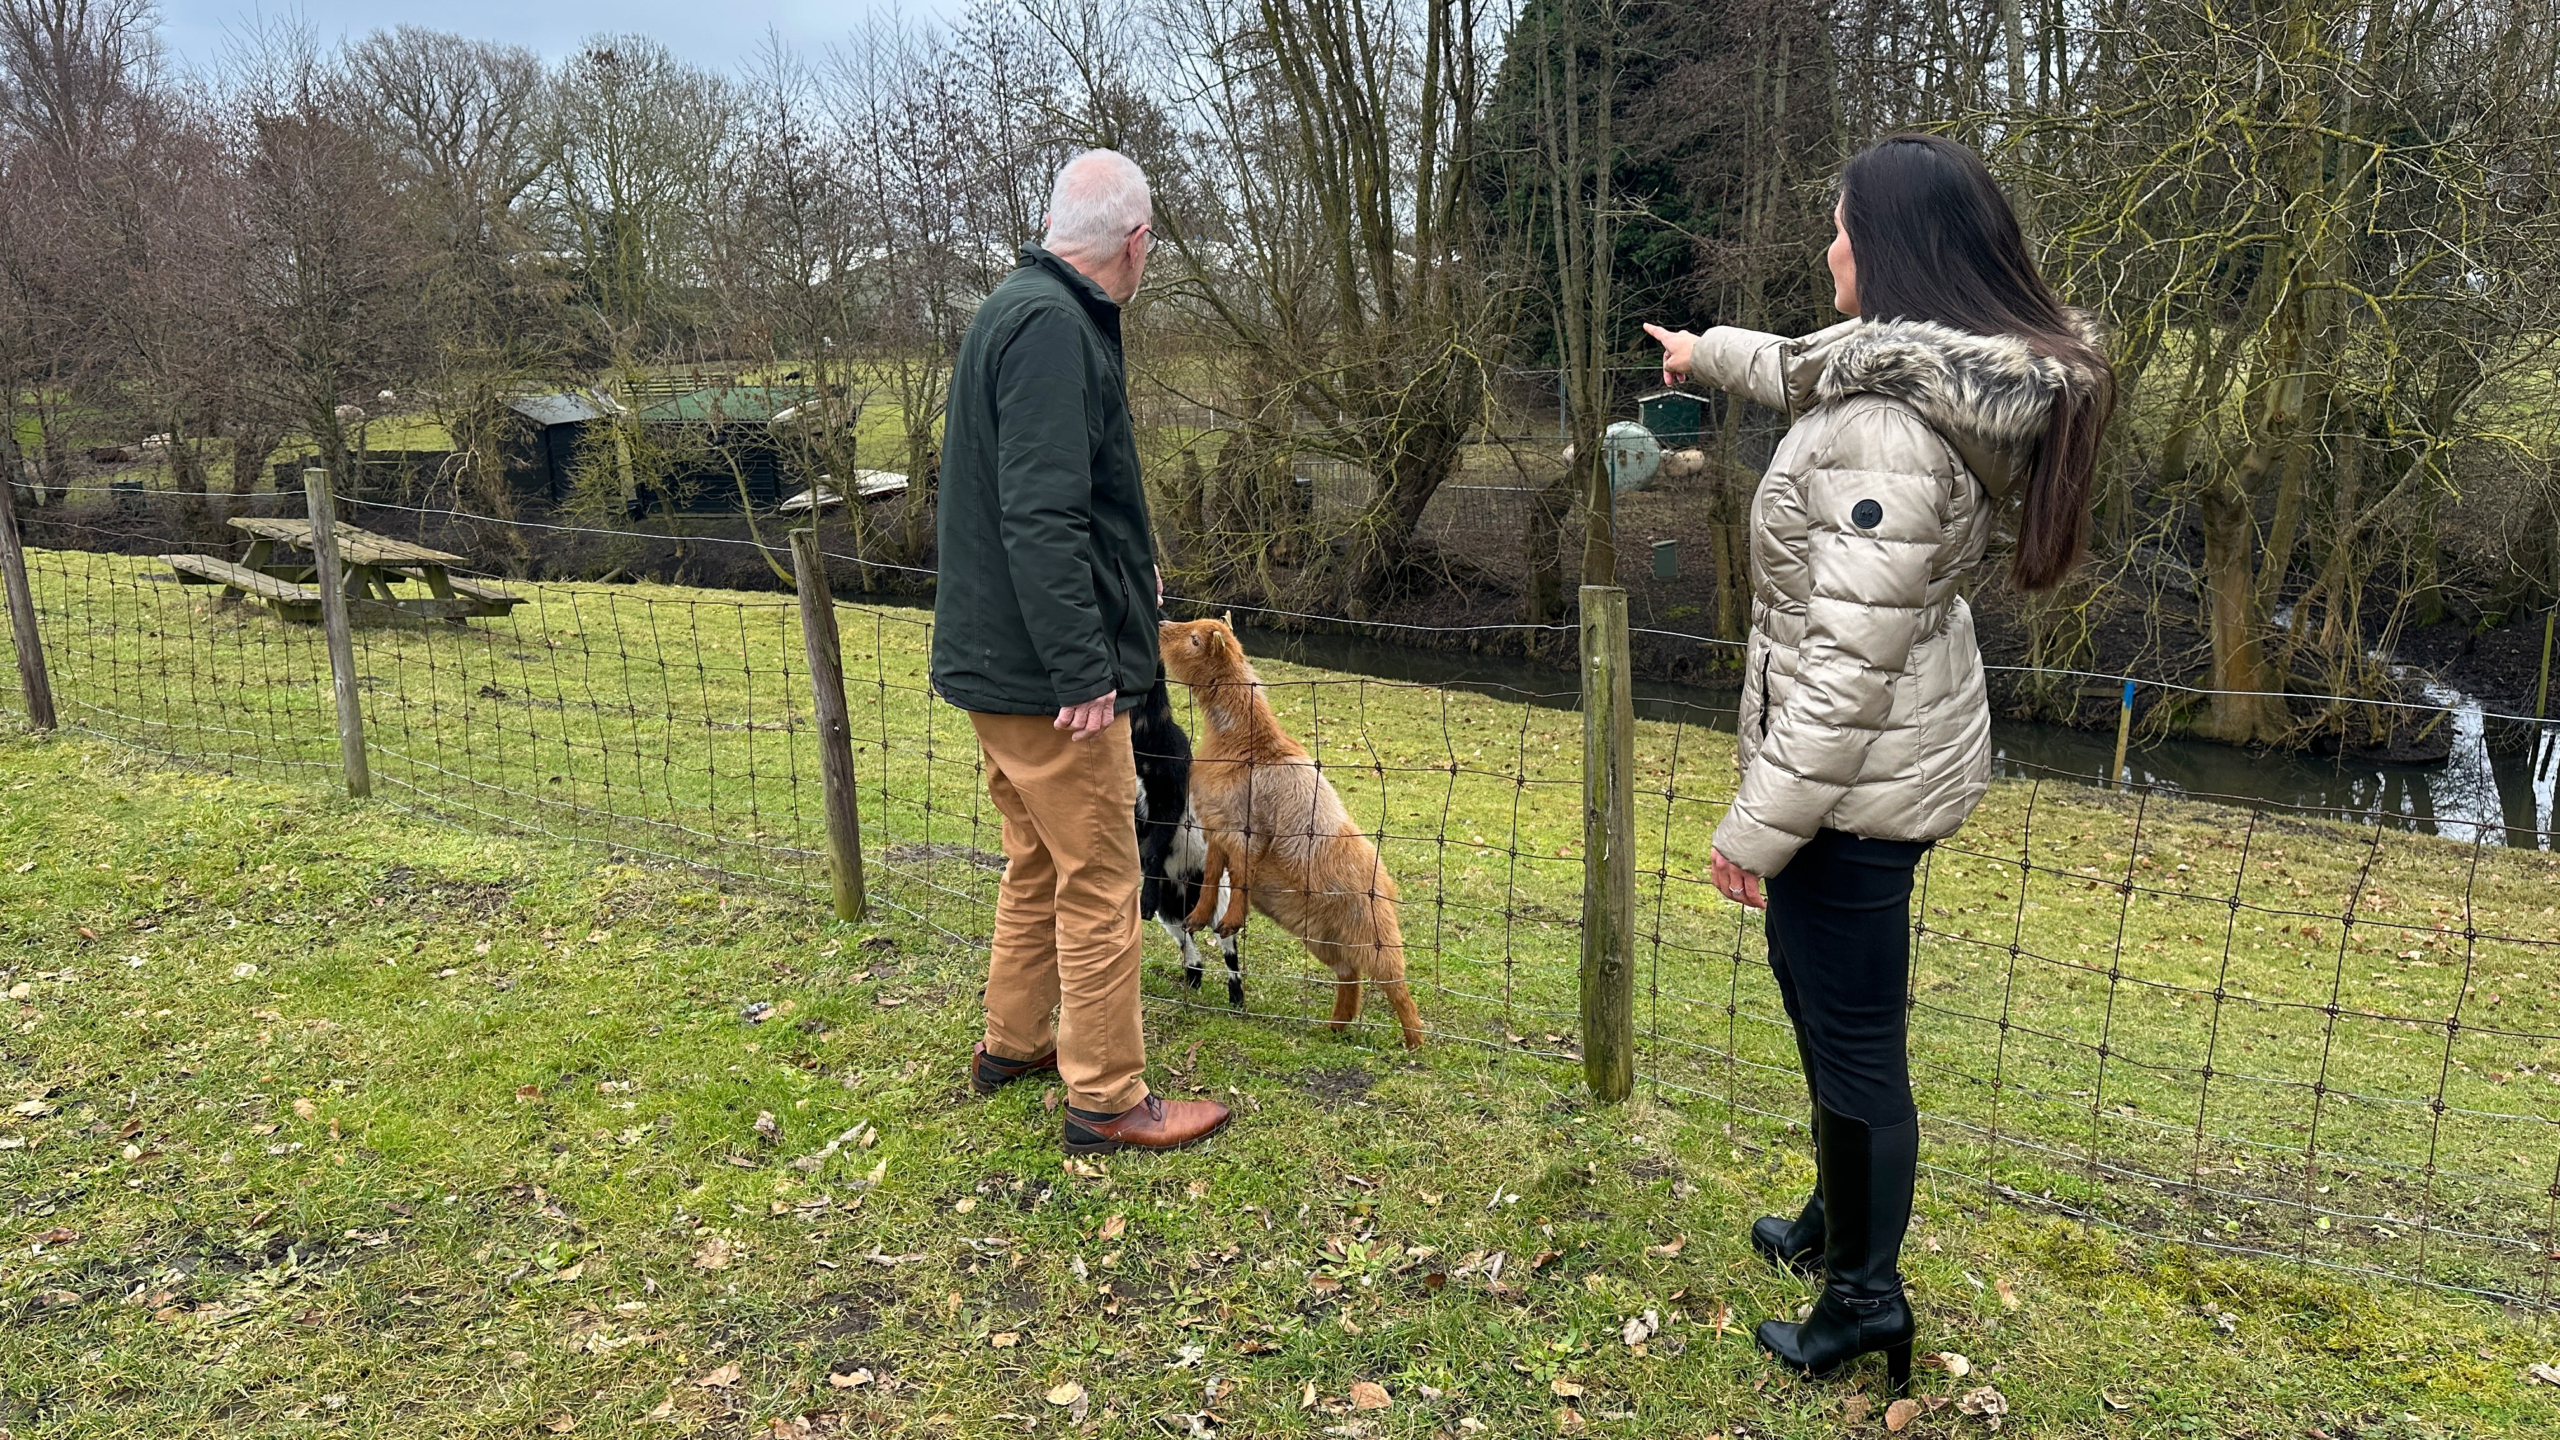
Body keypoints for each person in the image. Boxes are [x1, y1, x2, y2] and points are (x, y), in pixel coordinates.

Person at [1643, 134, 2113, 1390]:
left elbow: (1845, 668)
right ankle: (1831, 1224)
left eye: (1843, 227)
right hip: (1862, 773)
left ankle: (1865, 1299)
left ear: (1895, 249)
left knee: (1853, 1044)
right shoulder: (1888, 386)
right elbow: (1798, 366)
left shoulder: (1888, 437)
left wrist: (1756, 825)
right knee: (1817, 1006)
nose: (1828, 246)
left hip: (1851, 789)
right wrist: (1701, 356)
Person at [931, 149, 1231, 1156]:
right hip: (1043, 676)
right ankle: (1106, 1097)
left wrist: (1127, 565)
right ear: (1135, 244)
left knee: (1034, 860)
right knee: (1102, 875)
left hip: (992, 663)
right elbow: (1041, 515)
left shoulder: (1013, 306)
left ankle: (1012, 1044)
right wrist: (1084, 667)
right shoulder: (1057, 329)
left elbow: (1062, 498)